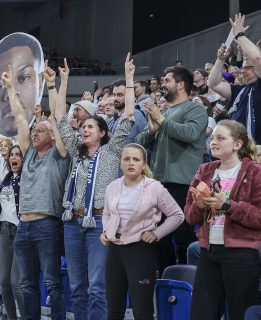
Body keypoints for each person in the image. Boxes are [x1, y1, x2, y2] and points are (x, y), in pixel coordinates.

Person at [54, 54, 135, 320]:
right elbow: (59, 118)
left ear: (102, 132)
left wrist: (130, 78)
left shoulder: (113, 151)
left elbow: (129, 116)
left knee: (97, 288)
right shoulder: (77, 153)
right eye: (84, 127)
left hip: (99, 222)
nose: (85, 130)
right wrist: (62, 82)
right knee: (77, 288)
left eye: (91, 126)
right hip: (72, 223)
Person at [3, 60, 70, 320]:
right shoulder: (29, 153)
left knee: (52, 284)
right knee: (26, 284)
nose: (34, 133)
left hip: (47, 224)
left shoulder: (60, 154)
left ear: (52, 136)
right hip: (24, 226)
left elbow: (58, 118)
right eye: (34, 130)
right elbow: (20, 117)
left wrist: (53, 86)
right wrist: (10, 88)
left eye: (40, 130)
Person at [185, 120, 261, 320]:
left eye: (221, 138)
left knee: (240, 313)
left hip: (242, 253)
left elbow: (259, 216)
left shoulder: (255, 171)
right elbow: (190, 216)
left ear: (237, 144)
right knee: (201, 314)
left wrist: (227, 205)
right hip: (208, 251)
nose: (214, 142)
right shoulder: (205, 170)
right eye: (213, 138)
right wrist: (199, 206)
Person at [136, 66, 208, 272]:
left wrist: (162, 120)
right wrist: (151, 131)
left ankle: (189, 281)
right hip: (158, 182)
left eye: (167, 81)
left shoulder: (194, 109)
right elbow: (140, 141)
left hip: (182, 182)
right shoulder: (165, 112)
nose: (162, 85)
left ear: (180, 84)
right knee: (159, 237)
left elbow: (191, 134)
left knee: (183, 235)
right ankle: (168, 283)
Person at [101, 144, 184, 320]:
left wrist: (156, 233)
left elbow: (177, 215)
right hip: (115, 251)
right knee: (114, 310)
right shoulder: (112, 186)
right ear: (120, 163)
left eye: (136, 159)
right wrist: (106, 231)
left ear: (144, 164)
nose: (131, 163)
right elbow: (107, 213)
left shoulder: (155, 187)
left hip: (141, 251)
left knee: (142, 311)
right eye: (127, 159)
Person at [208, 13, 261, 143]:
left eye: (248, 68)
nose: (242, 71)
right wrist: (220, 60)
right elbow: (213, 83)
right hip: (242, 151)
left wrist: (239, 35)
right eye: (242, 68)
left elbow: (258, 58)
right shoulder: (241, 90)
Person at [0, 32, 45, 138]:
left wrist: (53, 85)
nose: (11, 95)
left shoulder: (42, 150)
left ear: (40, 83)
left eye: (23, 78)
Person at [0, 145, 25, 319]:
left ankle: (27, 317)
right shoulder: (5, 177)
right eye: (12, 155)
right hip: (4, 230)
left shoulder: (27, 177)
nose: (14, 157)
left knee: (15, 282)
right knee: (4, 282)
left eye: (18, 155)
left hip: (21, 230)